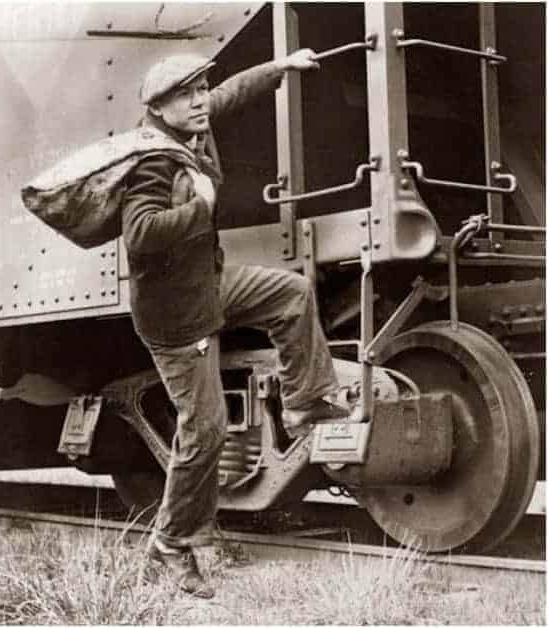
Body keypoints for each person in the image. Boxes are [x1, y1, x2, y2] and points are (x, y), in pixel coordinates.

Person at [123, 51, 348, 598]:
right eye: (188, 94)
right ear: (158, 108)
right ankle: (170, 543)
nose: (202, 100)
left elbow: (231, 93)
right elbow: (139, 233)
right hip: (176, 315)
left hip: (209, 284)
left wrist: (283, 66)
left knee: (291, 294)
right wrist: (200, 206)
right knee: (204, 431)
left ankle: (303, 403)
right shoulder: (150, 160)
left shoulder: (192, 124)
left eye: (202, 88)